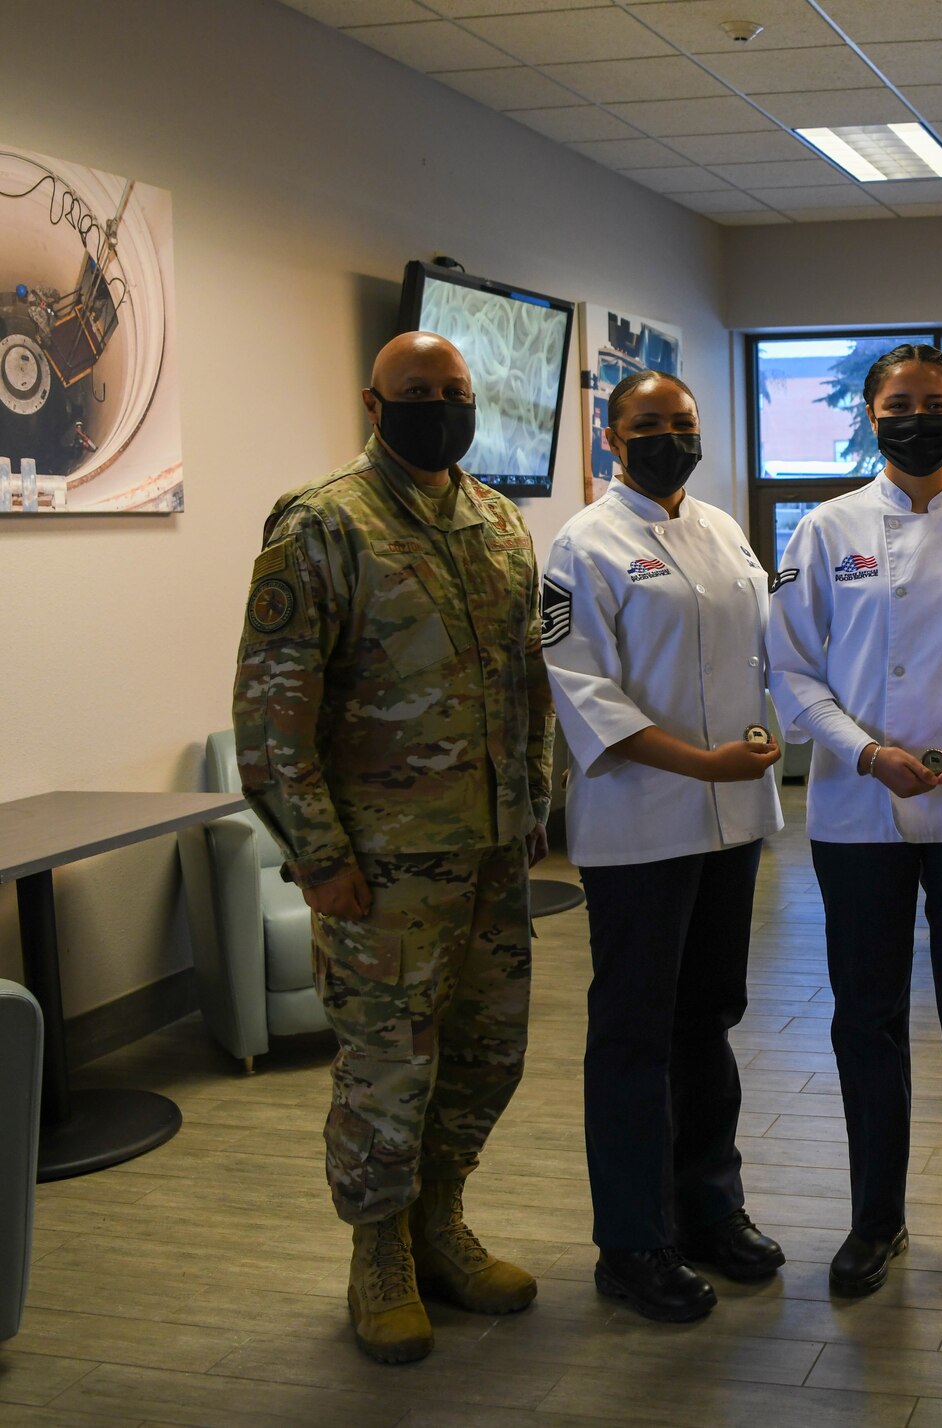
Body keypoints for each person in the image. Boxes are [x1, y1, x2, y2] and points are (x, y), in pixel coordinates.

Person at [232, 332, 552, 1364]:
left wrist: (535, 807)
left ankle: (439, 1225)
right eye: (418, 393)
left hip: (495, 857)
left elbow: (526, 683)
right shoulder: (323, 521)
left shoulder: (499, 521)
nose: (440, 407)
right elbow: (275, 709)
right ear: (375, 404)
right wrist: (318, 854)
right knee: (388, 1072)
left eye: (455, 393)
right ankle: (378, 1259)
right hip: (382, 870)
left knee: (486, 1059)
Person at [765, 343, 942, 1298]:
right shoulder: (826, 530)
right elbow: (791, 669)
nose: (918, 418)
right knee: (867, 1018)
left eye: (937, 403)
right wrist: (865, 751)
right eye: (899, 404)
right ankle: (874, 1220)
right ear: (873, 416)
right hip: (860, 811)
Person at [541, 371, 787, 1324]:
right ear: (612, 436)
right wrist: (701, 763)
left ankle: (710, 1210)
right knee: (637, 1033)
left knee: (709, 1019)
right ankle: (634, 1242)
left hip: (732, 823)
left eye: (682, 423)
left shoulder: (723, 531)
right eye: (648, 424)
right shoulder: (581, 547)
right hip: (643, 826)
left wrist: (747, 759)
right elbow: (584, 693)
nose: (668, 437)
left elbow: (765, 651)